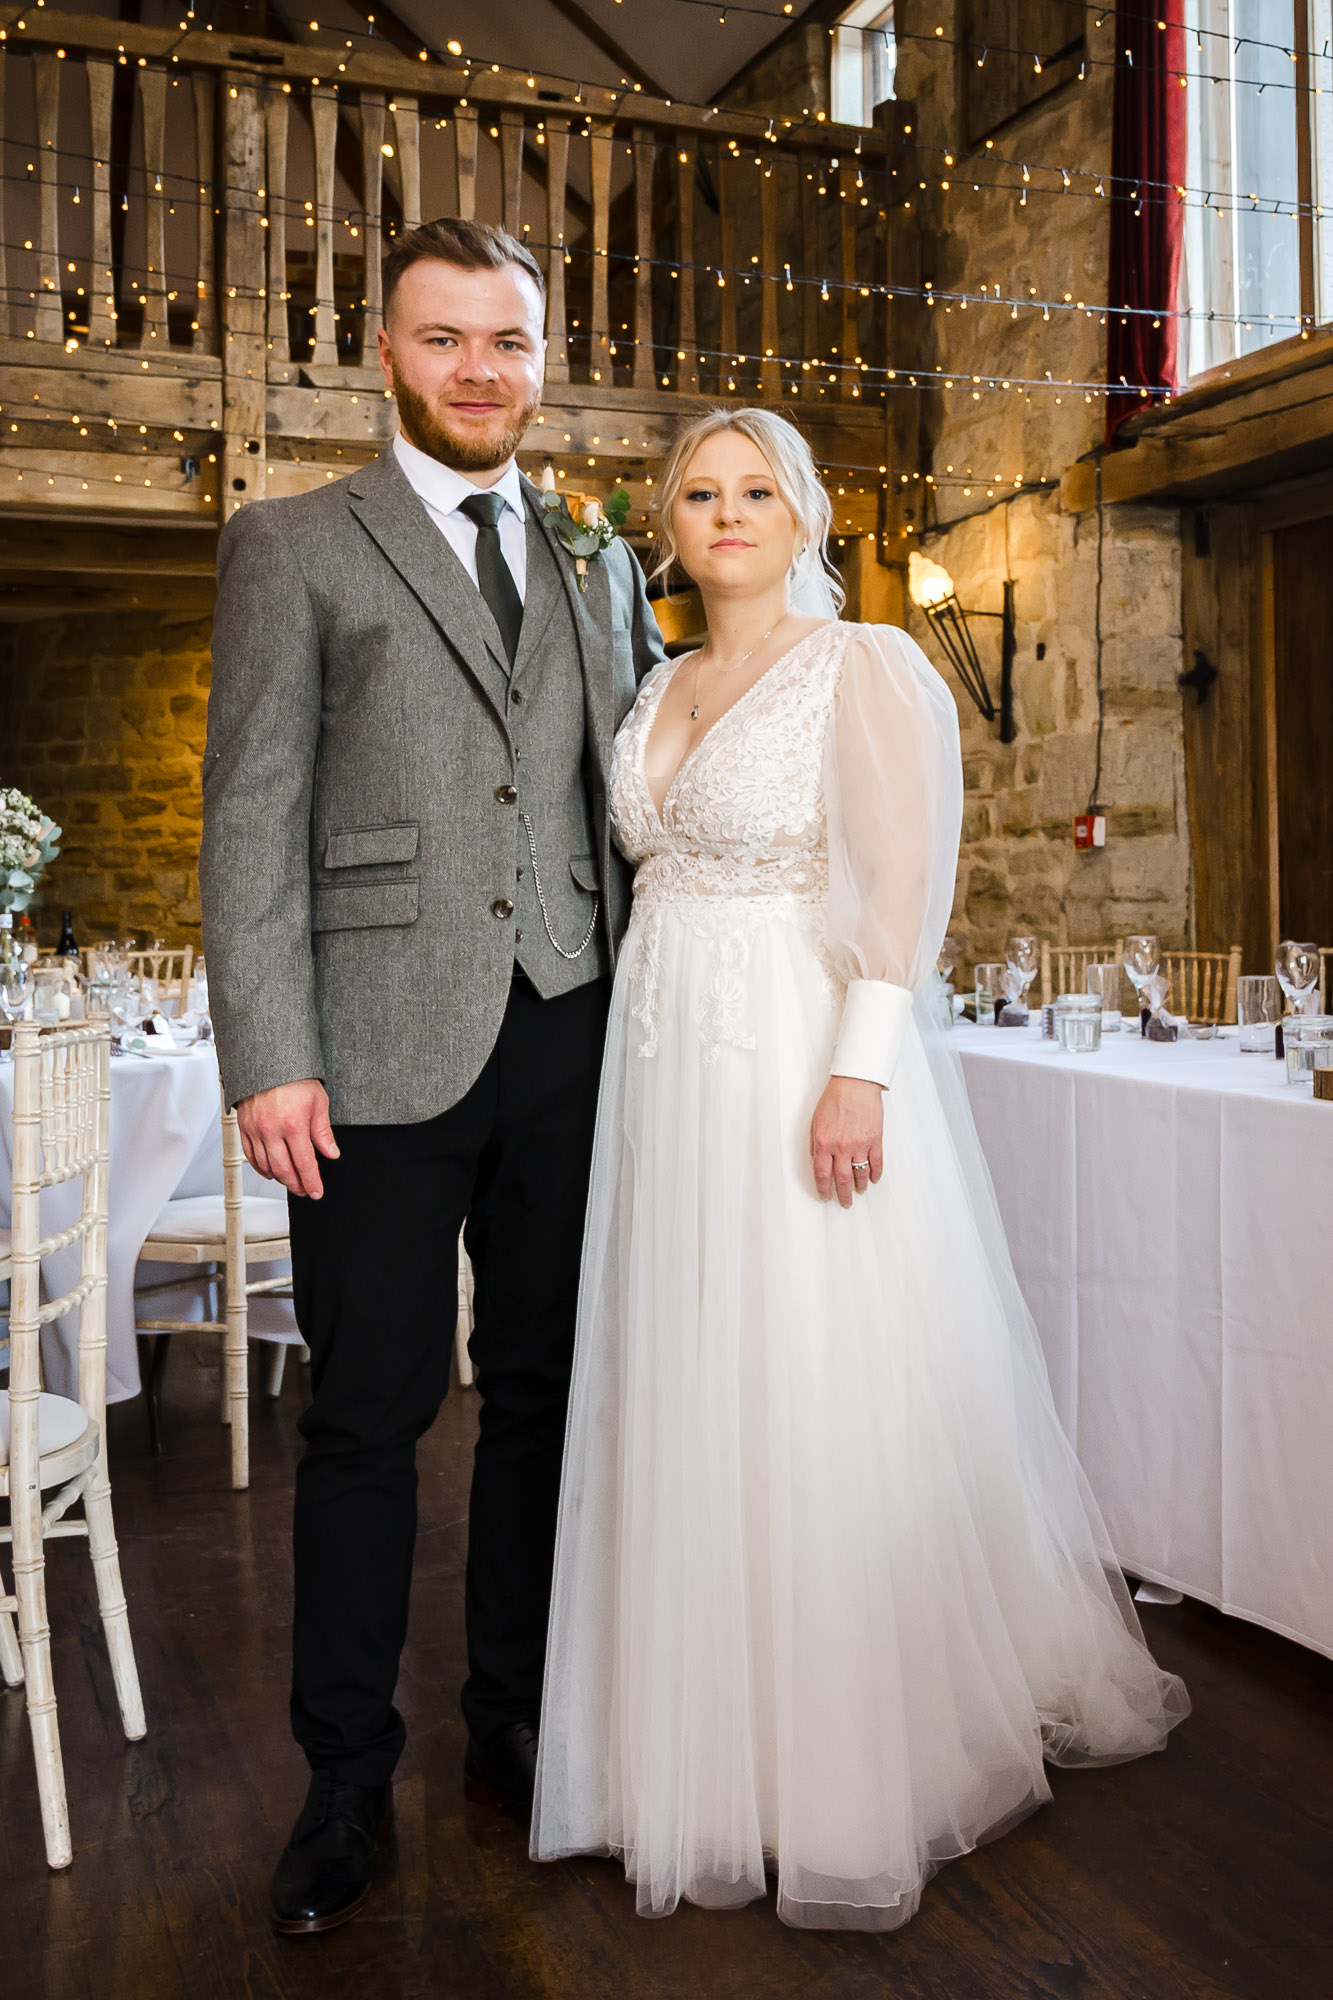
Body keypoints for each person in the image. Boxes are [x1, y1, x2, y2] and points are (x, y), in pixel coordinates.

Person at [530, 407, 1188, 1930]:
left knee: (805, 1367)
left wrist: (857, 1069)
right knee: (689, 1377)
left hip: (791, 1044)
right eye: (699, 494)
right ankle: (692, 1743)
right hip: (662, 1062)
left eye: (756, 489)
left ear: (806, 511)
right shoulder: (656, 686)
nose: (727, 514)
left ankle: (838, 1755)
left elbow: (898, 884)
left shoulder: (863, 666)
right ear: (670, 528)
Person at [199, 218, 666, 1936]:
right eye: (448, 337)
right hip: (375, 1058)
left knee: (546, 1399)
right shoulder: (294, 544)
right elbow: (248, 811)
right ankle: (339, 1784)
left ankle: (515, 1723)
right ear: (385, 352)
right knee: (367, 1420)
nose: (483, 368)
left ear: (543, 359)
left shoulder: (596, 552)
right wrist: (270, 1055)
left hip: (572, 1024)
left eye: (513, 340)